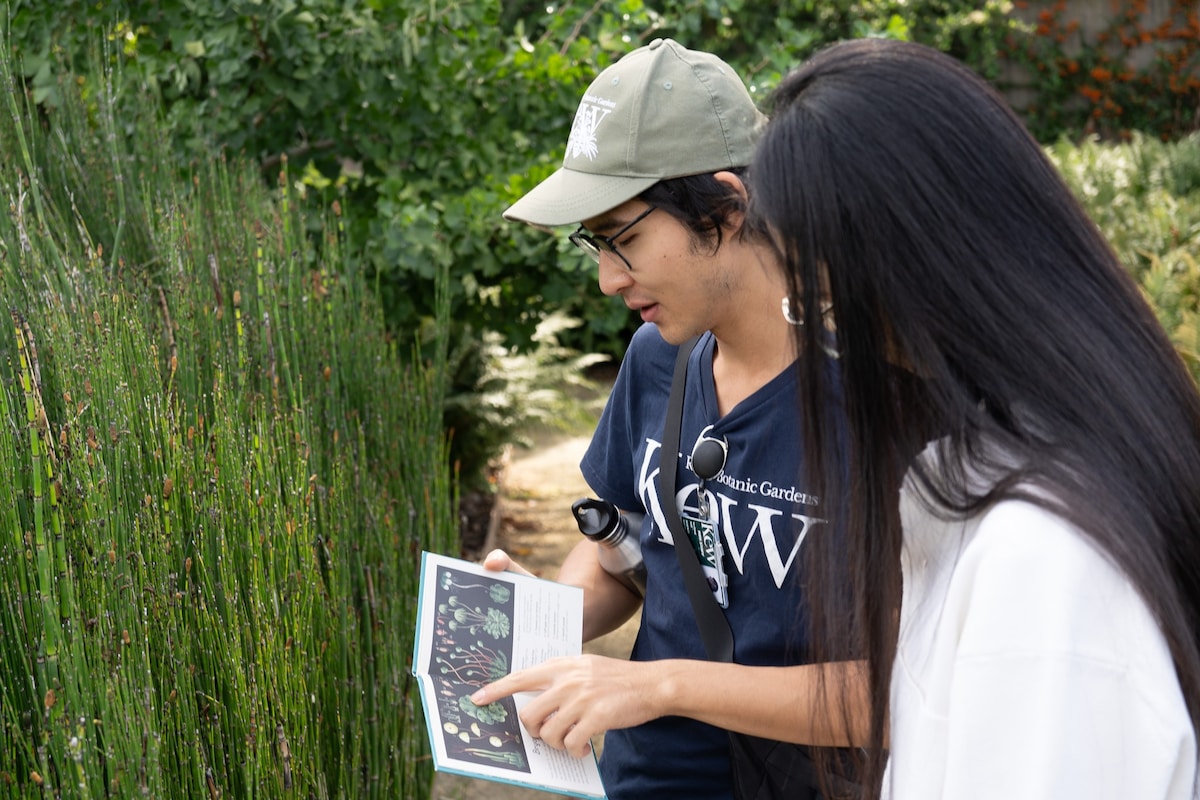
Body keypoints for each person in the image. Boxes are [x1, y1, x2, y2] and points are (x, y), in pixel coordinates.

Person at [748, 38, 1200, 799]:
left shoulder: (1042, 564)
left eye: (822, 305)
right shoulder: (1043, 469)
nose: (828, 340)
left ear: (911, 272)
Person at [475, 38, 857, 799]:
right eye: (595, 244)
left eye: (624, 239)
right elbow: (626, 543)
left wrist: (662, 686)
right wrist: (549, 618)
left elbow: (903, 688)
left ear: (726, 206)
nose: (609, 279)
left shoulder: (876, 398)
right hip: (648, 779)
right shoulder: (658, 358)